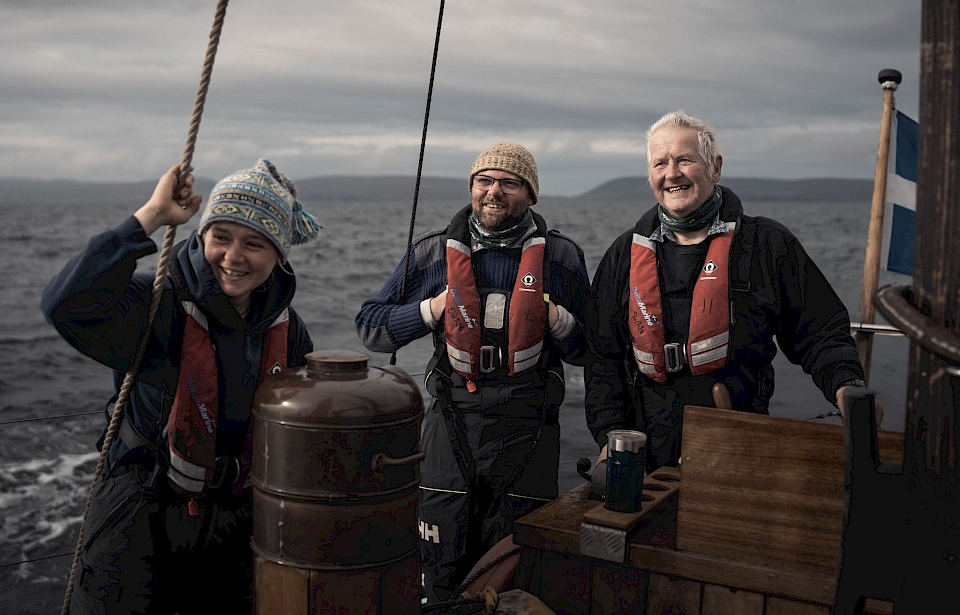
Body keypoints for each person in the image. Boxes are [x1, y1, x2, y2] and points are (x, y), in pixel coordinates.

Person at [41, 159, 321, 614]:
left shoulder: (288, 331)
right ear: (202, 236)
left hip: (234, 519)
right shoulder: (157, 305)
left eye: (254, 243)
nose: (233, 256)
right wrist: (151, 215)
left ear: (279, 254)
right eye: (221, 237)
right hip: (140, 511)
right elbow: (66, 304)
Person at [355, 143, 591, 603]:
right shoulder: (431, 254)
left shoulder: (560, 258)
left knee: (515, 566)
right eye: (484, 180)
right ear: (471, 187)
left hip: (530, 429)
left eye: (509, 182)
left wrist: (560, 321)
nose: (494, 192)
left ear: (531, 194)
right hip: (450, 422)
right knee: (441, 560)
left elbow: (596, 350)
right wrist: (430, 309)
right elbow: (372, 327)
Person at [585, 110, 882, 470]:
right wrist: (609, 436)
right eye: (660, 163)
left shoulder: (767, 244)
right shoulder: (624, 255)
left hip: (739, 438)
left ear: (715, 168)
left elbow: (820, 333)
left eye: (685, 160)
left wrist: (846, 387)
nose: (672, 173)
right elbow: (603, 357)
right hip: (645, 446)